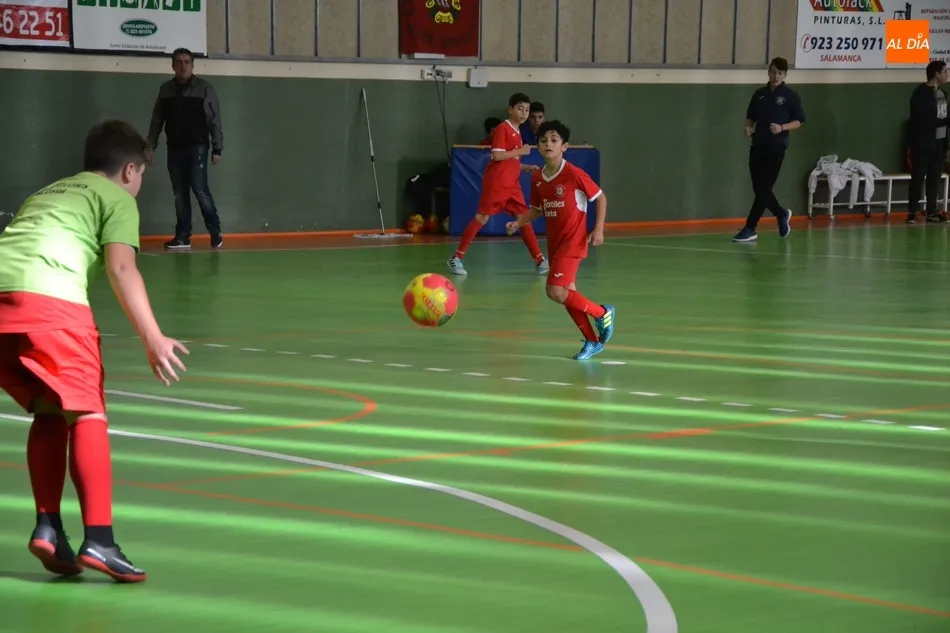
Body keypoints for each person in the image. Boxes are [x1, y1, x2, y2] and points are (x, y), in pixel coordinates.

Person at [0, 120, 189, 583]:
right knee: (87, 413)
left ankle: (49, 528)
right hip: (50, 303)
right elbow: (122, 269)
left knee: (49, 410)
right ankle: (100, 540)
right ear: (130, 170)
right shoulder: (117, 198)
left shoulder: (46, 193)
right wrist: (153, 336)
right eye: (141, 175)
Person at [506, 120, 615, 361]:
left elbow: (600, 197)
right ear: (538, 146)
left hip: (573, 241)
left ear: (564, 146)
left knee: (554, 291)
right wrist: (519, 222)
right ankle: (592, 340)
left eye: (554, 140)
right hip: (554, 243)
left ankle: (601, 313)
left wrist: (598, 229)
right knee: (568, 294)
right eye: (544, 140)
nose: (548, 144)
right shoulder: (537, 177)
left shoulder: (574, 173)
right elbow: (537, 209)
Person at [448, 93, 548, 276]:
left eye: (527, 110)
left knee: (523, 219)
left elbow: (509, 159)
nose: (524, 113)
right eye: (520, 109)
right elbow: (497, 155)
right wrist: (521, 151)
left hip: (512, 184)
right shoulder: (503, 128)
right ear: (510, 109)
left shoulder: (517, 131)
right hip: (497, 182)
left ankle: (540, 260)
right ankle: (457, 258)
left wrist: (524, 166)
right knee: (482, 218)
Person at [147, 47, 225, 250]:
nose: (183, 66)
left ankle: (215, 232)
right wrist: (150, 146)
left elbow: (214, 119)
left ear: (192, 65)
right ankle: (182, 237)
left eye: (187, 62)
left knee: (200, 189)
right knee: (180, 193)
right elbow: (157, 119)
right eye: (179, 62)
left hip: (198, 148)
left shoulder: (204, 88)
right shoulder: (165, 90)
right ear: (173, 65)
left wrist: (217, 148)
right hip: (174, 148)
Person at [733, 57, 805, 243]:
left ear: (785, 75)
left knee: (764, 188)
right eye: (773, 72)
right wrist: (748, 127)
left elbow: (799, 121)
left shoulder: (791, 96)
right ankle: (781, 214)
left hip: (776, 147)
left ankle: (750, 227)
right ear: (769, 72)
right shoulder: (759, 94)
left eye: (780, 73)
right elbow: (750, 116)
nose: (776, 76)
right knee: (759, 188)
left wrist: (782, 127)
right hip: (758, 145)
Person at [906, 60, 949, 224]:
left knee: (934, 178)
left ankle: (932, 212)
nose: (947, 75)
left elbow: (945, 116)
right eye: (945, 72)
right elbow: (919, 118)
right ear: (936, 74)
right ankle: (912, 212)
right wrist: (940, 122)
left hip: (939, 143)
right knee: (918, 177)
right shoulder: (920, 94)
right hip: (923, 144)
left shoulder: (943, 94)